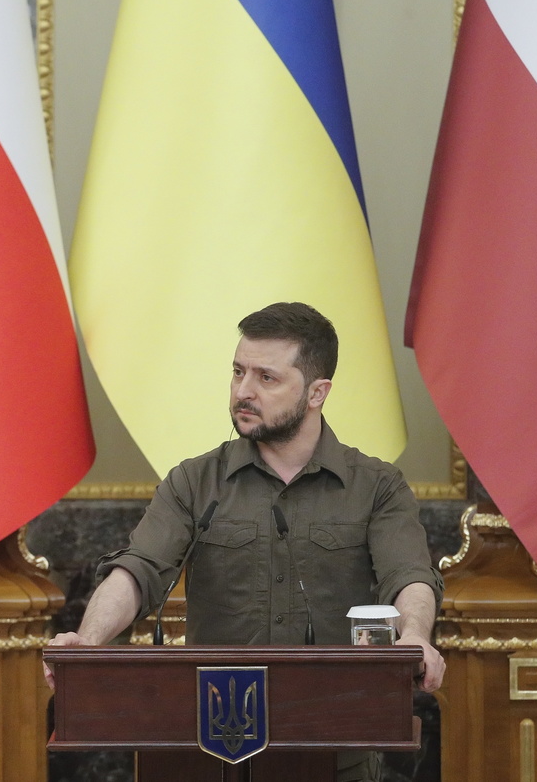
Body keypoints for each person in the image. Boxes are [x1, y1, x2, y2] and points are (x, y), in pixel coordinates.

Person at [48, 302, 443, 782]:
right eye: (238, 372)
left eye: (266, 378)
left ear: (317, 392)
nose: (243, 391)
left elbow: (408, 576)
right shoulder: (195, 482)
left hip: (335, 746)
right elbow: (138, 569)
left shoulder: (376, 486)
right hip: (207, 749)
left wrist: (415, 636)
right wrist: (88, 643)